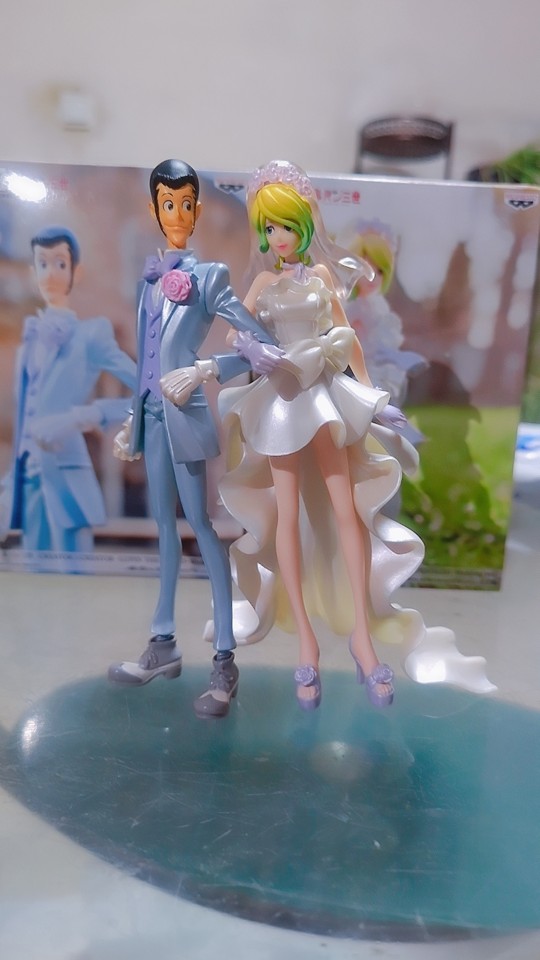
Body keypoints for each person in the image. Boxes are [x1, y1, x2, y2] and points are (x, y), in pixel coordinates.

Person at [195, 161, 495, 711]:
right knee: (287, 516)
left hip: (325, 398)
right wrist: (250, 349)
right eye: (269, 227)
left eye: (286, 225)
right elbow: (239, 335)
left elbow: (347, 339)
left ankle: (362, 636)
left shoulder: (322, 279)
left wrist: (375, 399)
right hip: (281, 404)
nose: (278, 237)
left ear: (305, 224)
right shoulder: (261, 284)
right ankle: (306, 646)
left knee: (346, 510)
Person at [108, 159, 283, 719]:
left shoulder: (210, 278)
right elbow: (145, 360)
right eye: (168, 204)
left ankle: (224, 660)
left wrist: (206, 368)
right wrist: (131, 419)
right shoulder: (148, 282)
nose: (178, 214)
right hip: (152, 418)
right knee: (164, 526)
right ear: (155, 210)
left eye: (186, 204)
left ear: (198, 209)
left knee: (202, 529)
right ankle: (162, 643)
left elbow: (262, 346)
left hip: (186, 417)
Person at [0, 225, 137, 558]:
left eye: (60, 264)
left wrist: (83, 416)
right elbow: (24, 419)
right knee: (34, 574)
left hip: (68, 480)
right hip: (27, 481)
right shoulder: (28, 340)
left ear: (77, 270)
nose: (50, 274)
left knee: (73, 573)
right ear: (32, 272)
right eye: (42, 264)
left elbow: (148, 393)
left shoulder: (92, 335)